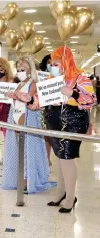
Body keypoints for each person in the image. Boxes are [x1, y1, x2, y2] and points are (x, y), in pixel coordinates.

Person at [45, 47, 96, 213]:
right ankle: (61, 193)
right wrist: (30, 99)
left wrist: (73, 94)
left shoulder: (80, 78)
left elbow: (91, 100)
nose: (52, 66)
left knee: (67, 158)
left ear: (66, 61)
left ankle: (70, 198)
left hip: (73, 122)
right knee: (60, 157)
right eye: (51, 63)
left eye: (56, 63)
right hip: (55, 122)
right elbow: (39, 100)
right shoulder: (52, 79)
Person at [1, 55, 54, 194]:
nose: (20, 71)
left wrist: (17, 96)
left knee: (27, 150)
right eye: (18, 69)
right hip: (16, 116)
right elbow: (17, 98)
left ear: (30, 70)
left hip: (27, 118)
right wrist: (12, 95)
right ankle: (19, 179)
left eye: (22, 68)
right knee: (19, 150)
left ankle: (28, 181)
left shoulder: (33, 84)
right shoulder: (20, 83)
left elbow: (30, 100)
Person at [40, 54, 53, 167]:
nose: (50, 64)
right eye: (49, 62)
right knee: (42, 135)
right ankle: (42, 158)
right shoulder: (40, 76)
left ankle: (47, 158)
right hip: (40, 108)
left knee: (48, 136)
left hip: (53, 108)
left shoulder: (57, 76)